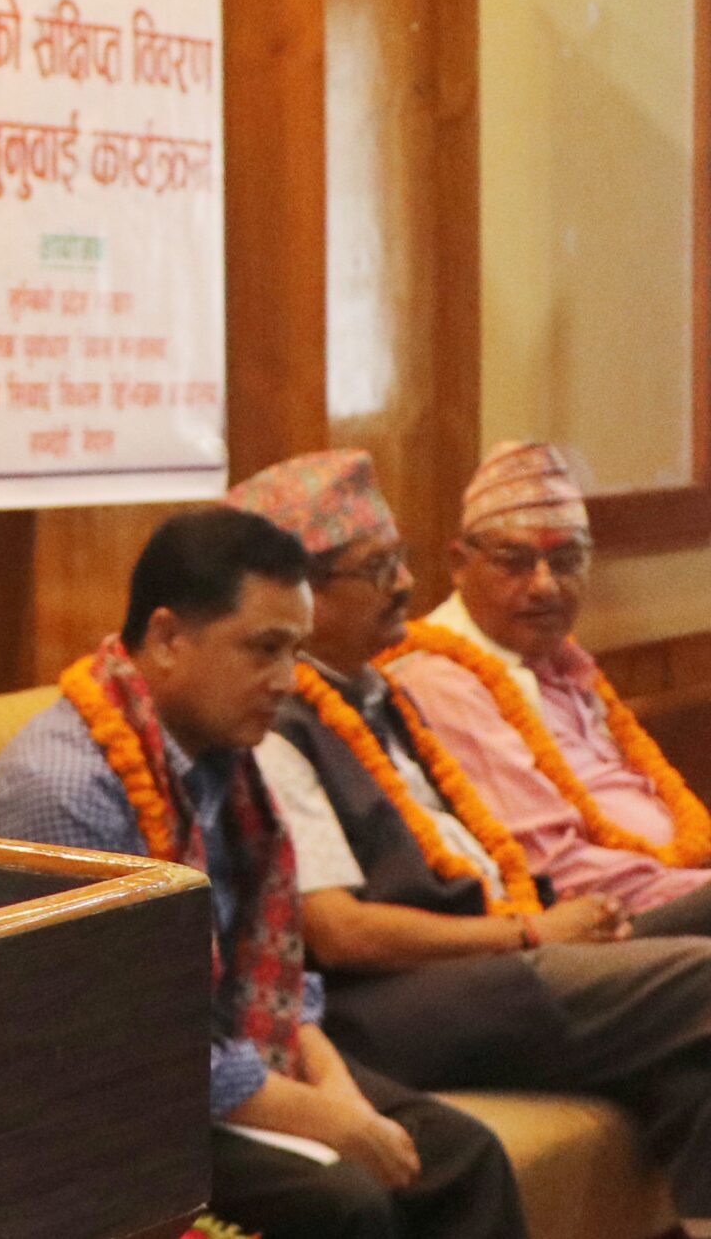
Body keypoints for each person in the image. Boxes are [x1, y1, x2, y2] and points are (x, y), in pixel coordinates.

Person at [0, 508, 527, 1239]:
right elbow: (128, 1041)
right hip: (92, 1102)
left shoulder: (224, 756)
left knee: (463, 1156)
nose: (287, 680)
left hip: (216, 1055)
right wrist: (328, 1120)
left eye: (295, 650)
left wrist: (339, 1092)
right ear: (168, 638)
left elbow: (273, 971)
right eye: (264, 649)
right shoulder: (68, 788)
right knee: (345, 1199)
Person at [231, 450, 711, 1230]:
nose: (405, 584)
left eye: (401, 559)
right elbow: (339, 931)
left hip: (498, 949)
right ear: (301, 596)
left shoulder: (378, 690)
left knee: (695, 1064)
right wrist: (529, 931)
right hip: (395, 998)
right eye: (378, 568)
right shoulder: (273, 725)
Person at [385, 442, 711, 935]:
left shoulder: (557, 658)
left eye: (565, 560)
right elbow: (552, 867)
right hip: (603, 926)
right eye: (515, 562)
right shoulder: (444, 679)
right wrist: (697, 890)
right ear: (459, 563)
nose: (545, 585)